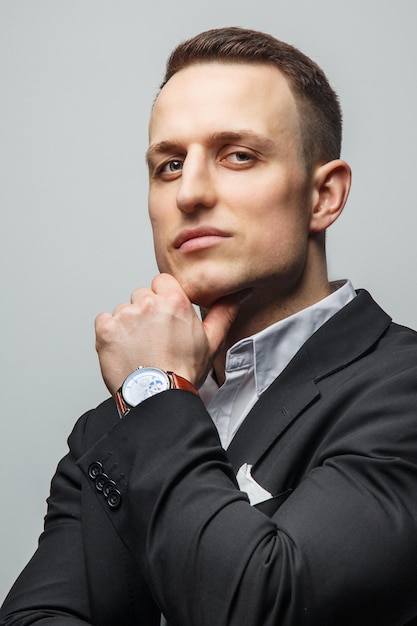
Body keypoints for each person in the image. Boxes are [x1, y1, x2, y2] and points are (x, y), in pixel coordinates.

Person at [1, 26, 417, 626]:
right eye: (168, 165)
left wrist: (157, 395)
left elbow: (262, 606)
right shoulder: (108, 426)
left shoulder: (401, 389)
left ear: (323, 196)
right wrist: (153, 396)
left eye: (238, 155)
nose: (189, 193)